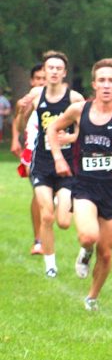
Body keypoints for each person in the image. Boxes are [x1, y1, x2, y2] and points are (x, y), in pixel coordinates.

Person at [45, 58, 112, 310]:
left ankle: (92, 297)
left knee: (107, 252)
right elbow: (53, 129)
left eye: (111, 80)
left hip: (111, 188)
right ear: (94, 84)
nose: (106, 85)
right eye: (102, 80)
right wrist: (58, 159)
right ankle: (85, 251)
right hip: (84, 185)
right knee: (89, 236)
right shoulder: (80, 110)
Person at [15, 51, 85, 277]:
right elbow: (23, 121)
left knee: (64, 222)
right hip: (42, 162)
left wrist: (70, 138)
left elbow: (85, 131)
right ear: (44, 72)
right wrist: (21, 110)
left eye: (58, 68)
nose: (53, 71)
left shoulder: (74, 99)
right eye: (50, 68)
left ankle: (59, 198)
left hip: (66, 164)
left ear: (64, 73)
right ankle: (50, 266)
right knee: (46, 215)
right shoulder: (36, 94)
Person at [10, 64, 46, 255]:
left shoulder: (60, 99)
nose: (41, 82)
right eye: (38, 79)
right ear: (32, 81)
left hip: (57, 152)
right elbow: (19, 120)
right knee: (38, 194)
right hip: (34, 151)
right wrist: (16, 139)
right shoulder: (28, 100)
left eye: (44, 78)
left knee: (53, 199)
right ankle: (38, 241)